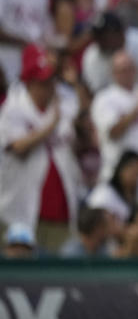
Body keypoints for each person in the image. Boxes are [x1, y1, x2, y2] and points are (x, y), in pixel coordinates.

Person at [0, 45, 82, 251]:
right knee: (19, 273)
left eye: (51, 81)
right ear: (29, 82)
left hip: (59, 210)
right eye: (42, 82)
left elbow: (79, 140)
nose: (49, 87)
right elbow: (18, 147)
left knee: (58, 273)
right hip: (18, 210)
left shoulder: (64, 102)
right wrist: (49, 127)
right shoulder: (13, 108)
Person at [90, 50, 138, 205]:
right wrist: (136, 108)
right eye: (122, 70)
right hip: (119, 177)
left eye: (130, 68)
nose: (127, 73)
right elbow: (113, 132)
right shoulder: (105, 98)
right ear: (113, 73)